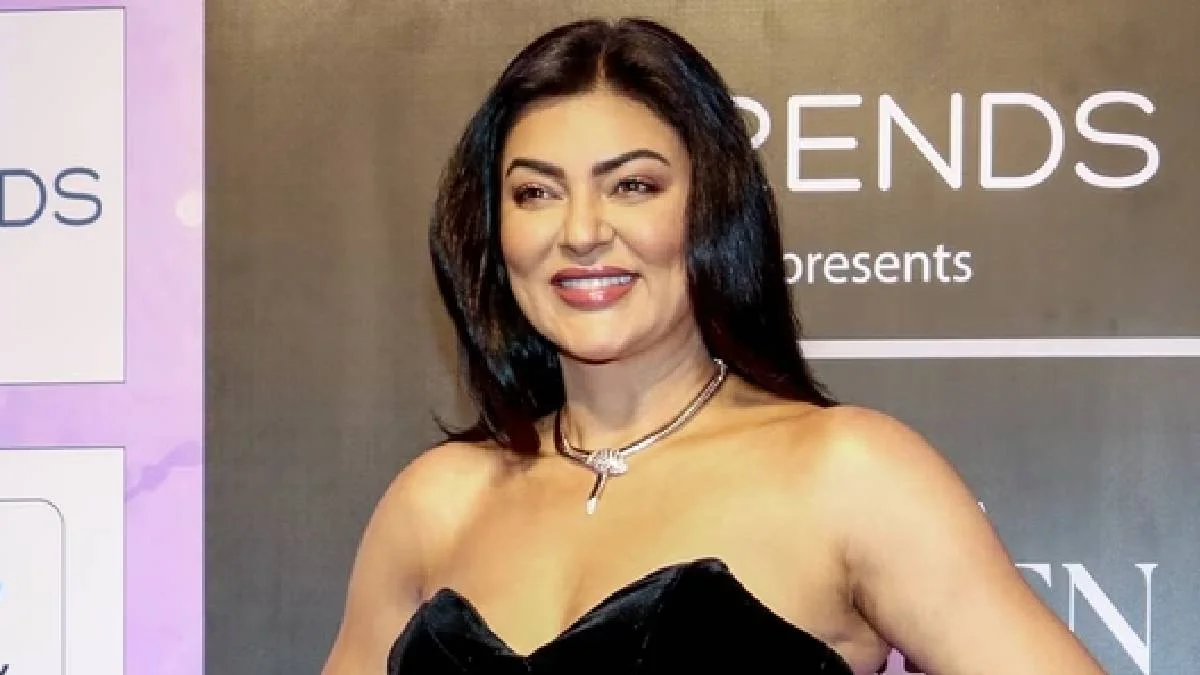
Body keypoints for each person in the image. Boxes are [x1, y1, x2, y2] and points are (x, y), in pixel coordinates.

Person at [321, 17, 1106, 675]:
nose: (582, 231)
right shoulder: (435, 504)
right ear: (495, 229)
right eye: (536, 192)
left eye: (633, 185)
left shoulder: (848, 473)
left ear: (711, 207)